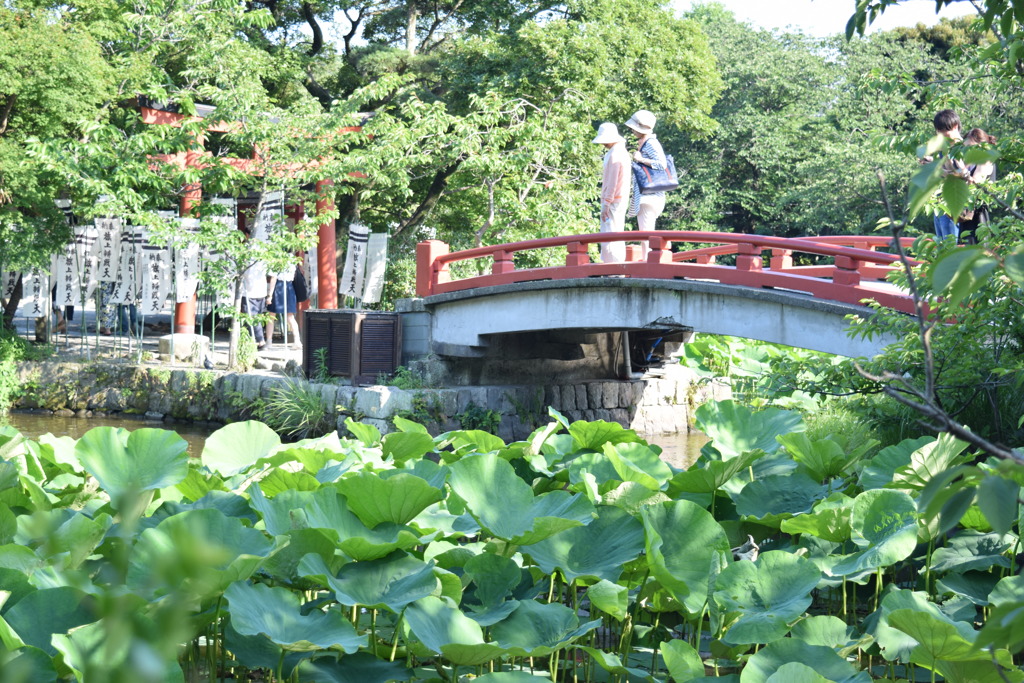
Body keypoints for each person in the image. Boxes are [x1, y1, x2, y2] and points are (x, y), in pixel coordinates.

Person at [592, 122, 631, 263]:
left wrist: (606, 203)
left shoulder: (615, 154)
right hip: (620, 198)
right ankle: (614, 264)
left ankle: (613, 265)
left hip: (614, 199)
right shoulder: (622, 152)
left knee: (610, 233)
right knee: (615, 231)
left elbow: (612, 181)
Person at [625, 110, 668, 232]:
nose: (632, 130)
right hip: (647, 195)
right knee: (645, 234)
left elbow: (662, 164)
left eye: (634, 128)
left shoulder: (651, 143)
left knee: (646, 235)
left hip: (649, 196)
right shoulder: (646, 142)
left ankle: (647, 252)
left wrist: (641, 159)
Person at [929, 109, 968, 242]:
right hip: (940, 203)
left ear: (955, 126)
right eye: (938, 131)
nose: (940, 134)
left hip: (955, 205)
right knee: (941, 246)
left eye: (943, 130)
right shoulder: (943, 149)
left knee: (950, 246)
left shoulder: (965, 148)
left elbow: (963, 176)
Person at [958, 128, 998, 245]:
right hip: (966, 214)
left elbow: (975, 183)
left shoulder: (986, 160)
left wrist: (960, 170)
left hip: (978, 216)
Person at [265, 265, 302, 349]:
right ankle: (297, 341)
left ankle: (269, 342)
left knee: (271, 316)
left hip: (278, 287)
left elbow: (273, 278)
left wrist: (270, 295)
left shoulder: (277, 260)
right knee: (290, 316)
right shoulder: (292, 260)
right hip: (290, 287)